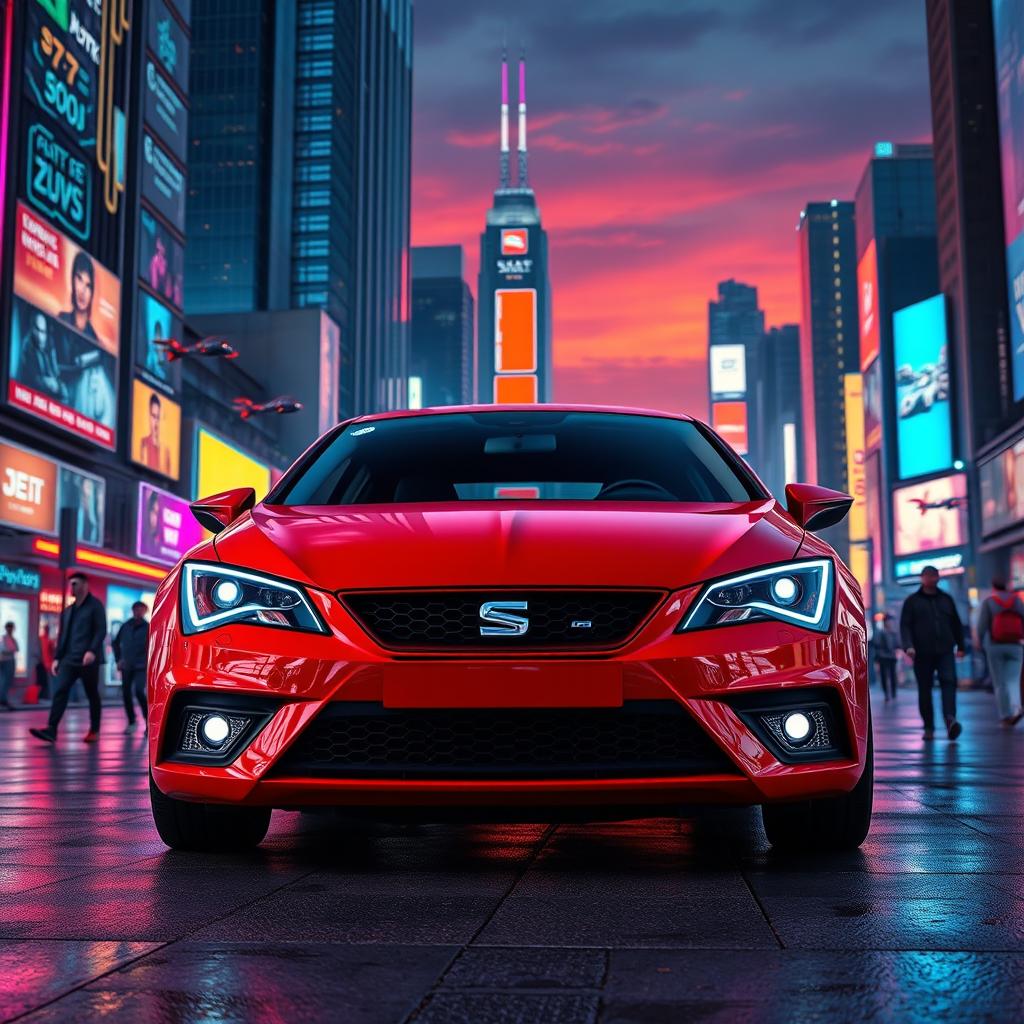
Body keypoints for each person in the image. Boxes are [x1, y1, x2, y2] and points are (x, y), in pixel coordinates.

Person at [29, 572, 106, 744]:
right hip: (69, 660)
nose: (72, 587)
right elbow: (63, 636)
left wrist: (92, 651)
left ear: (85, 585)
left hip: (88, 660)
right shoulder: (68, 611)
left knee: (92, 694)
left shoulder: (95, 606)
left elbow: (101, 630)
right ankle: (51, 729)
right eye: (70, 584)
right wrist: (57, 658)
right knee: (60, 691)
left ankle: (94, 730)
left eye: (75, 584)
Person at [900, 564, 967, 741]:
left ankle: (950, 720)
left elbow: (956, 624)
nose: (932, 579)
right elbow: (905, 626)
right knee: (925, 689)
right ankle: (928, 727)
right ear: (922, 578)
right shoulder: (912, 601)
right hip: (922, 653)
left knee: (949, 682)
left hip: (945, 650)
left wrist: (961, 646)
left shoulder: (946, 599)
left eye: (934, 576)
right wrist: (908, 646)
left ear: (938, 578)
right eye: (928, 576)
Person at [976, 577, 1024, 727]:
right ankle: (1017, 709)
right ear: (1007, 585)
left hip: (995, 646)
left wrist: (979, 641)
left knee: (1000, 683)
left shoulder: (989, 602)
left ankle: (1005, 716)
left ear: (993, 586)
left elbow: (982, 625)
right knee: (1013, 680)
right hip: (1015, 645)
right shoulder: (1017, 601)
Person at [113, 602, 149, 735]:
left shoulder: (148, 627)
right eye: (136, 609)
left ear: (145, 611)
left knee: (139, 691)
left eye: (141, 609)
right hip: (126, 666)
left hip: (141, 666)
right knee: (126, 693)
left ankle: (148, 722)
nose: (138, 612)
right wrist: (118, 659)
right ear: (132, 610)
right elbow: (115, 643)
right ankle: (132, 722)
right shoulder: (125, 626)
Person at [58, 250, 98, 340]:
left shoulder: (93, 338)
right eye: (80, 279)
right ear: (73, 280)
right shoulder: (62, 319)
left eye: (88, 285)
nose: (82, 291)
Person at [138, 392, 172, 476]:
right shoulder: (143, 443)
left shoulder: (166, 451)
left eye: (158, 418)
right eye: (153, 416)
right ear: (149, 416)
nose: (156, 423)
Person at [874, 614, 900, 702]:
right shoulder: (881, 632)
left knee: (892, 675)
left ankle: (893, 693)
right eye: (889, 621)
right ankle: (887, 694)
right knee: (884, 676)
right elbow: (876, 644)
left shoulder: (893, 633)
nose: (890, 623)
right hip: (883, 657)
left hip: (891, 657)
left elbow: (898, 644)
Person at [0, 621, 18, 711]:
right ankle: (2, 699)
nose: (11, 629)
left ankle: (3, 699)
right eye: (9, 627)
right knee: (5, 681)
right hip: (6, 661)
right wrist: (11, 650)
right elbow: (5, 649)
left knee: (7, 681)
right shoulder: (4, 638)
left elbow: (16, 648)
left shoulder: (12, 639)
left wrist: (12, 649)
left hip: (10, 660)